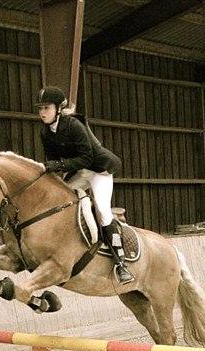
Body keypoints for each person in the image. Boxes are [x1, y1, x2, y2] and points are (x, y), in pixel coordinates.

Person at [36, 86, 134, 285]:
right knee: (59, 200)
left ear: (59, 109)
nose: (42, 112)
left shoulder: (73, 125)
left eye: (46, 108)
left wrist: (59, 165)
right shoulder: (46, 132)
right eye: (40, 109)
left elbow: (87, 157)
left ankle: (121, 262)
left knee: (103, 211)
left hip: (99, 170)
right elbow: (54, 162)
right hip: (80, 171)